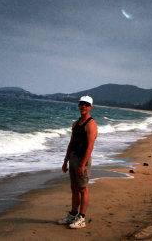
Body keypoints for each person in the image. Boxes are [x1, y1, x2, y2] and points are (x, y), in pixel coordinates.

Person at [58, 96, 98, 229]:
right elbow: (71, 143)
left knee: (83, 188)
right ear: (79, 105)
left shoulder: (91, 125)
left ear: (90, 107)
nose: (84, 106)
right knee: (74, 187)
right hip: (73, 158)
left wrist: (82, 164)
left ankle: (82, 218)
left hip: (83, 160)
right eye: (82, 104)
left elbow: (90, 147)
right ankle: (73, 214)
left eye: (87, 105)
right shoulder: (75, 124)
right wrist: (65, 160)